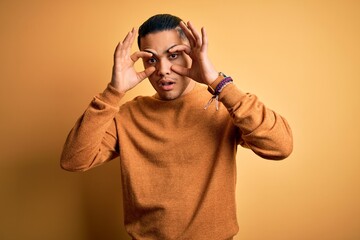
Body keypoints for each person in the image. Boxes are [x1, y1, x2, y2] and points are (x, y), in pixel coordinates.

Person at [61, 14, 293, 240]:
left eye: (174, 55)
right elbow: (74, 160)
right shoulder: (127, 116)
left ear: (192, 54)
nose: (162, 69)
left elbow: (280, 146)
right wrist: (114, 92)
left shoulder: (224, 105)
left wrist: (218, 82)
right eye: (151, 59)